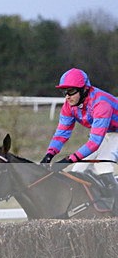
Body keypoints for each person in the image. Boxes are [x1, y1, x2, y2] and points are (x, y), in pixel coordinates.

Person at [40, 68, 118, 211]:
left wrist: (67, 160)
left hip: (114, 132)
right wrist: (49, 154)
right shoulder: (69, 106)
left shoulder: (101, 104)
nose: (67, 97)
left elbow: (94, 143)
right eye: (64, 92)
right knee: (77, 170)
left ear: (84, 90)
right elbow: (61, 133)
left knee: (103, 164)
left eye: (71, 91)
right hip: (108, 132)